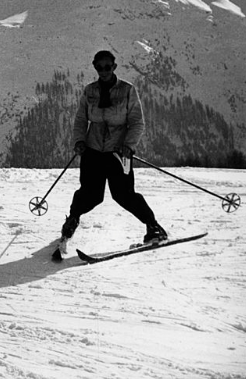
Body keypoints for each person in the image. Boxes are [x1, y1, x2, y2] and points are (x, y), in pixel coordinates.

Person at [59, 50, 167, 245]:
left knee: (124, 195)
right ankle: (73, 219)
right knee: (89, 194)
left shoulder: (127, 90)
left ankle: (153, 226)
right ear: (95, 67)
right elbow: (81, 120)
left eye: (107, 66)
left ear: (114, 67)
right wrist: (79, 141)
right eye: (99, 67)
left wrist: (129, 145)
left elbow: (137, 122)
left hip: (118, 153)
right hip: (92, 151)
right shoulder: (89, 91)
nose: (104, 71)